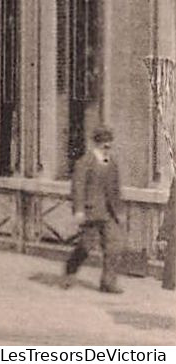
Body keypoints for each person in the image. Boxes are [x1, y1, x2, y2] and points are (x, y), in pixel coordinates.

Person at [64, 126, 124, 294]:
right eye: (104, 144)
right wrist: (78, 210)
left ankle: (108, 282)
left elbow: (115, 189)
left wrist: (119, 211)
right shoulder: (84, 162)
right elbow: (78, 187)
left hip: (109, 212)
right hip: (91, 211)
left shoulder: (112, 163)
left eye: (109, 143)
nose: (107, 147)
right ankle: (71, 269)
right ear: (96, 143)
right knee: (86, 245)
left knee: (114, 246)